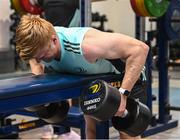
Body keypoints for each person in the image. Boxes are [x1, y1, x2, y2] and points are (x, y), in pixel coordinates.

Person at [15, 15, 149, 139]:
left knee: (127, 134)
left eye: (43, 56)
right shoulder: (37, 46)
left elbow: (140, 49)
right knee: (93, 131)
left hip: (125, 78)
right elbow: (36, 64)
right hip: (93, 80)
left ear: (54, 40)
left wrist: (123, 94)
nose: (40, 59)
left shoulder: (86, 45)